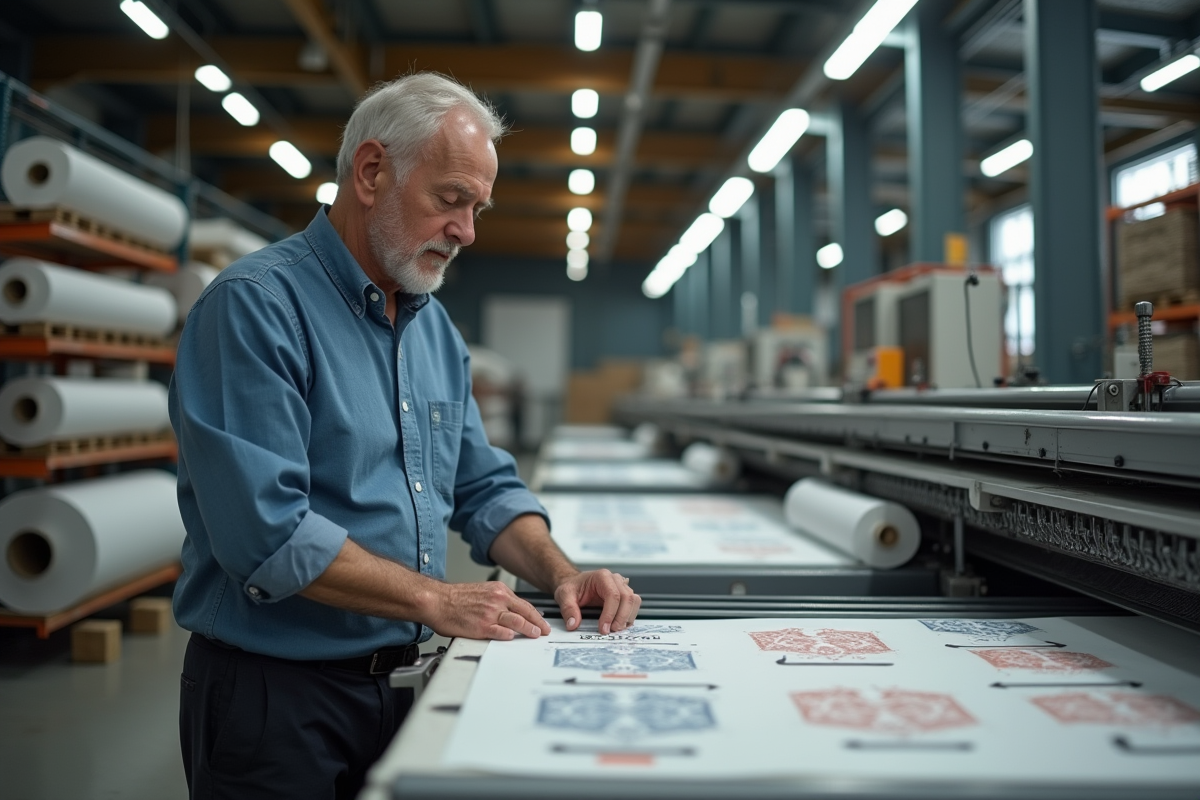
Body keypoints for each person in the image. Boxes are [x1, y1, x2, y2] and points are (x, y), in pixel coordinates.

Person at [169, 72, 641, 800]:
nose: (467, 232)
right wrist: (436, 600)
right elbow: (266, 536)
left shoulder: (433, 331)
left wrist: (560, 573)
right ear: (371, 172)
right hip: (274, 703)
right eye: (450, 200)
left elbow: (483, 487)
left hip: (399, 690)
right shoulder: (256, 308)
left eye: (477, 209)